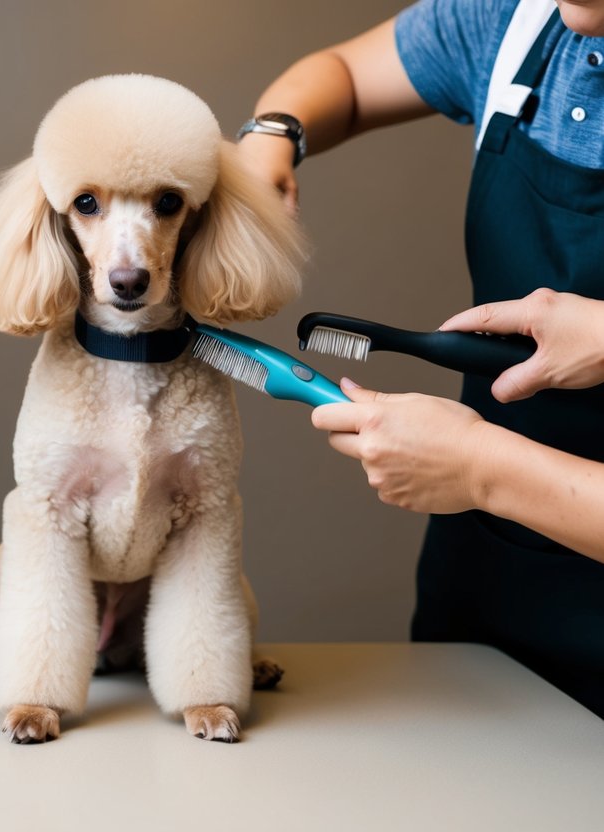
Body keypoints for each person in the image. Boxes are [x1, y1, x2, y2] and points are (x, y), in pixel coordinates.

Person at [237, 0, 604, 717]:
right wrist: (270, 138)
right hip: (486, 600)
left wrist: (480, 467)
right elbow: (341, 73)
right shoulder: (519, 23)